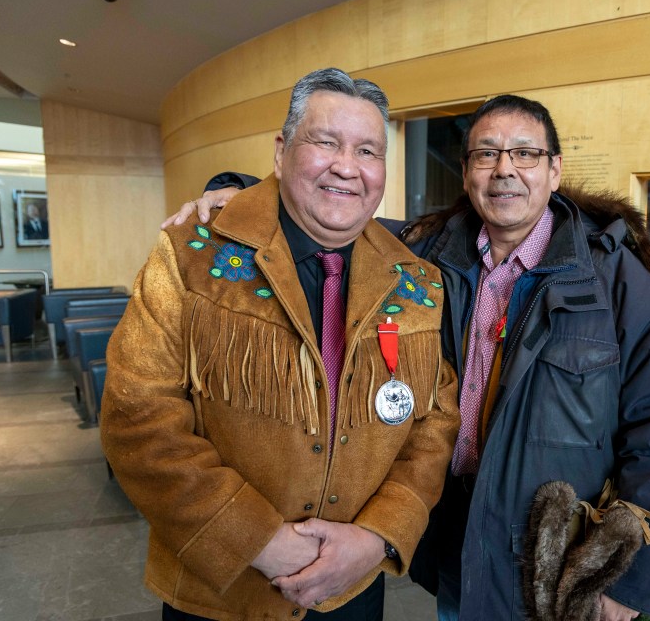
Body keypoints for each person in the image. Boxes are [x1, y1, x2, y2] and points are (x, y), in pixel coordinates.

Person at [169, 95, 650, 620]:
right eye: (486, 154)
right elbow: (335, 211)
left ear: (554, 170)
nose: (505, 170)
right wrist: (240, 194)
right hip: (463, 543)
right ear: (467, 171)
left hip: (559, 567)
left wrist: (637, 579)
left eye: (525, 154)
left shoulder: (616, 281)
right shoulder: (426, 255)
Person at [101, 68, 460, 621]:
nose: (347, 166)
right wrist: (258, 540)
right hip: (219, 594)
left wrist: (378, 536)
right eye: (326, 142)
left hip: (351, 590)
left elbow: (433, 425)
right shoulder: (191, 253)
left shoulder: (417, 281)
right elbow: (137, 415)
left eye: (368, 150)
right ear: (281, 151)